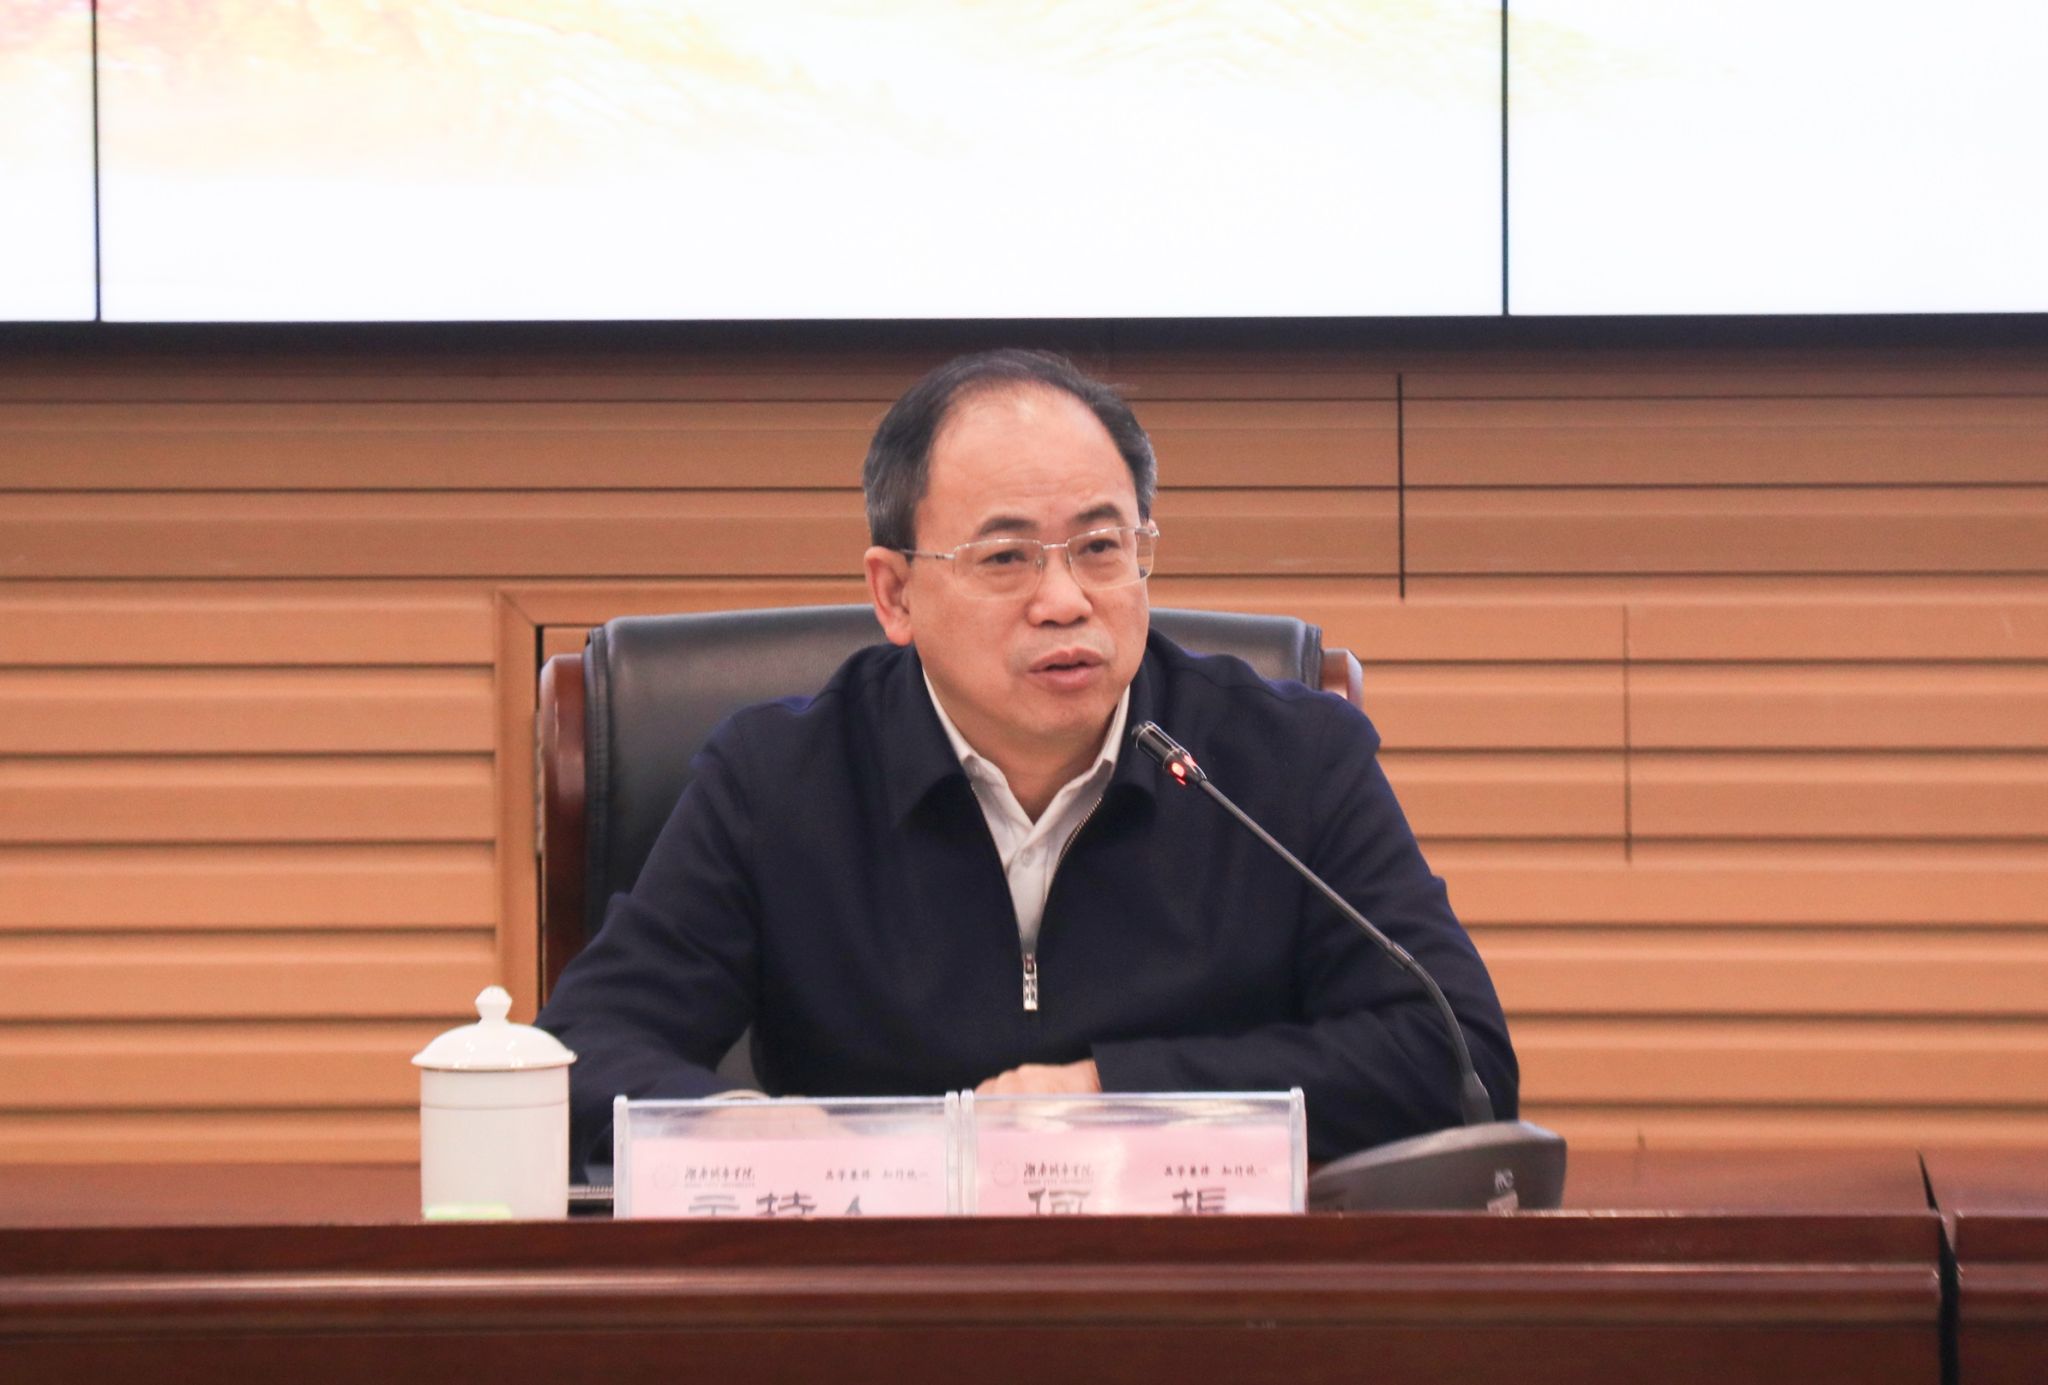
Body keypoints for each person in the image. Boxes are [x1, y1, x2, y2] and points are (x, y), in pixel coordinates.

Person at [537, 349, 1517, 1175]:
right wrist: (727, 1125)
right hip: (884, 1292)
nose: (1064, 600)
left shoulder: (1283, 761)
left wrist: (1116, 1097)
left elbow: (1456, 1055)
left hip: (1197, 1294)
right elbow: (581, 1050)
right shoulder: (779, 779)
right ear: (894, 595)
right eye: (1005, 557)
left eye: (1101, 546)